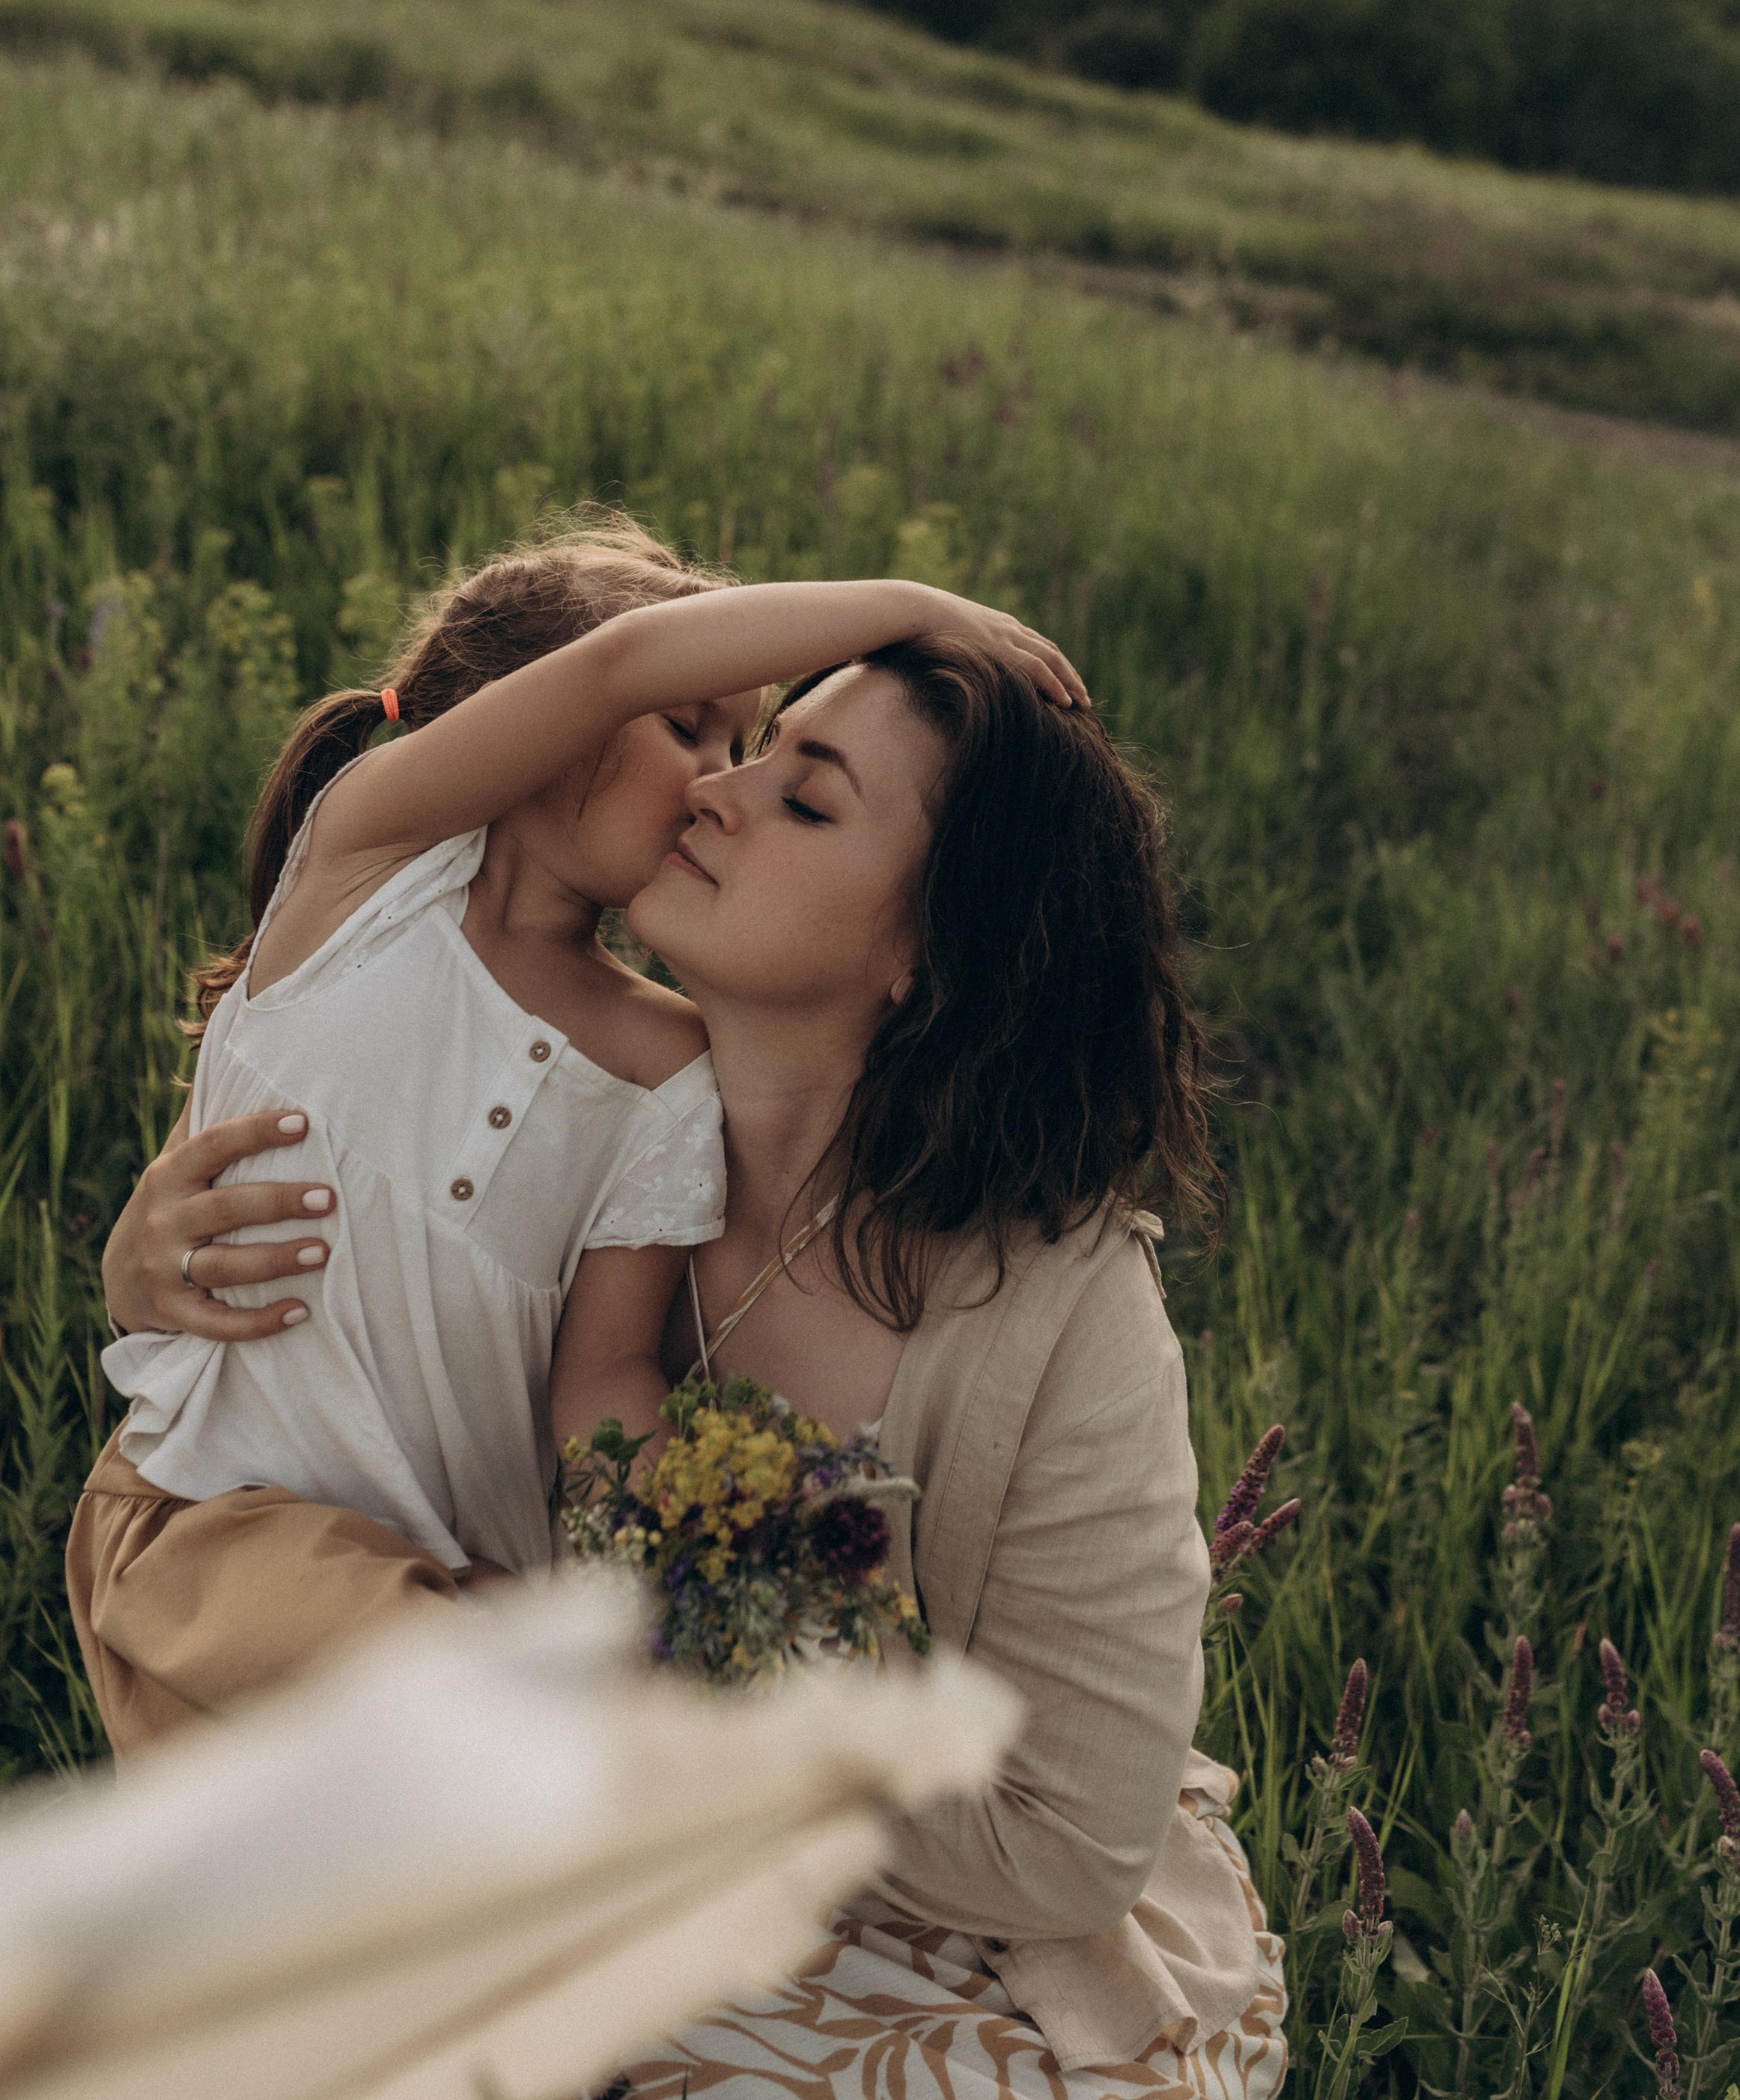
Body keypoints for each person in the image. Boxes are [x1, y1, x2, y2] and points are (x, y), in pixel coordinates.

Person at [98, 642, 1287, 2100]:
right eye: (743, 748)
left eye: (798, 795)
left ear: (926, 955)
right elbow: (325, 1272)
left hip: (949, 1896)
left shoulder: (1056, 1306)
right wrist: (145, 1263)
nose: (707, 796)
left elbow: (1067, 1842)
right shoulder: (581, 1129)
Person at [70, 517, 1083, 1762]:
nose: (717, 782)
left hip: (455, 1580)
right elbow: (620, 661)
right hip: (213, 1538)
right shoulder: (368, 871)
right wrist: (914, 609)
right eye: (689, 727)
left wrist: (680, 1542)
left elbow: (600, 1373)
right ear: (534, 726)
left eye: (742, 745)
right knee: (501, 1711)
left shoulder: (667, 1068)